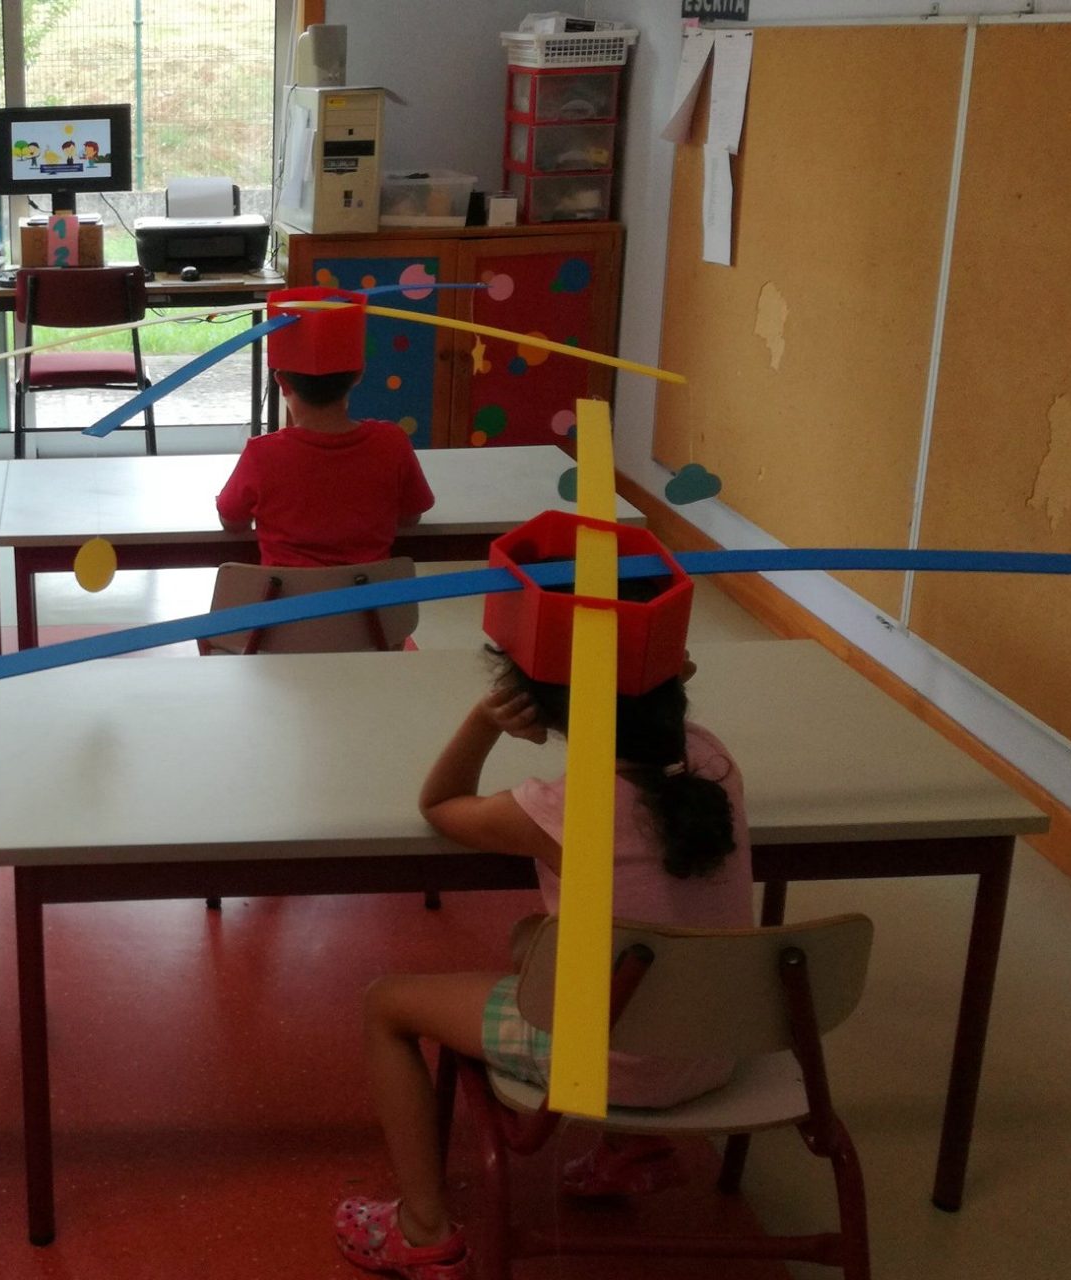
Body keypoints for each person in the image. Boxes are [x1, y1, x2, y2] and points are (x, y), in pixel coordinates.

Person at [335, 571, 750, 1280]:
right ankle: (631, 1149)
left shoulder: (564, 808)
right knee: (535, 935)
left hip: (609, 1062)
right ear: (674, 679)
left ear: (543, 708)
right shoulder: (715, 762)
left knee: (385, 1004)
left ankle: (422, 1228)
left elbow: (440, 804)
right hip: (719, 1042)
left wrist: (483, 721)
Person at [216, 288, 433, 567]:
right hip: (369, 596)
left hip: (288, 596)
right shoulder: (391, 442)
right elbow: (410, 518)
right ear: (359, 374)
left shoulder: (262, 454)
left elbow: (233, 523)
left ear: (282, 382)